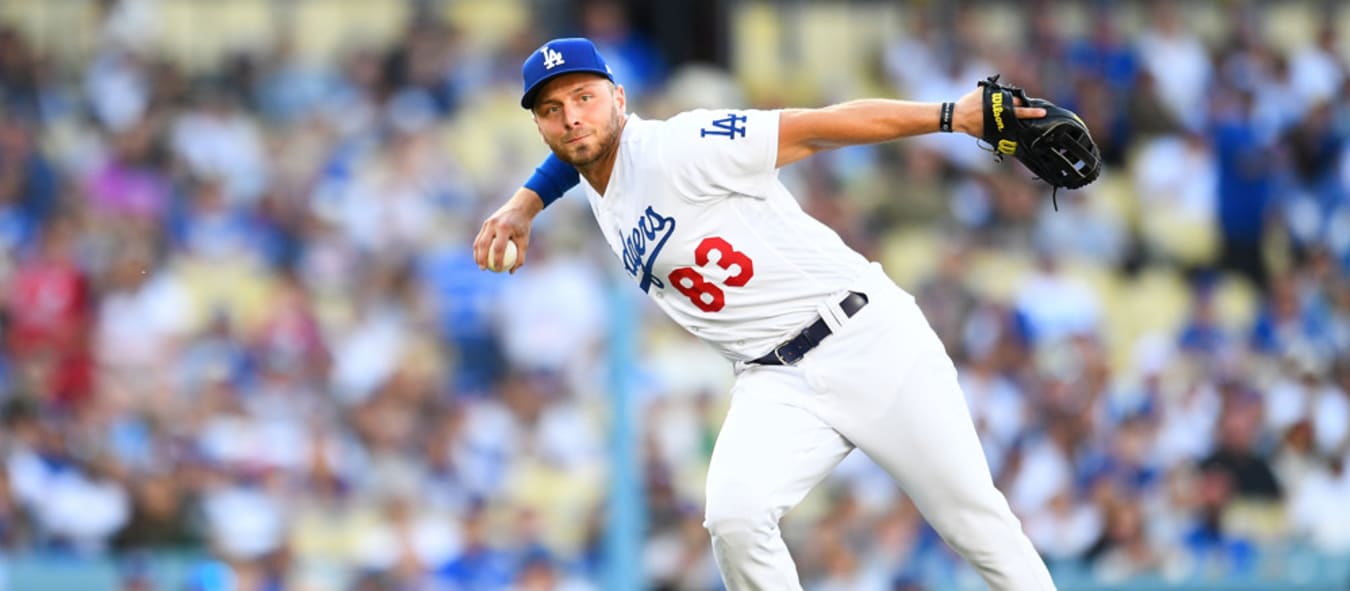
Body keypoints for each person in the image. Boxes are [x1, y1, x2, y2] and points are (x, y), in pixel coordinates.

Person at [473, 37, 1057, 590]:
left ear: (619, 98)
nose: (572, 117)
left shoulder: (682, 144)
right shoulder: (597, 169)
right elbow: (575, 158)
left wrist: (952, 115)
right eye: (552, 109)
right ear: (539, 125)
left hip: (865, 337)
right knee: (735, 518)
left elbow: (819, 129)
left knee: (973, 524)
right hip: (773, 378)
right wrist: (524, 203)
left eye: (585, 97)